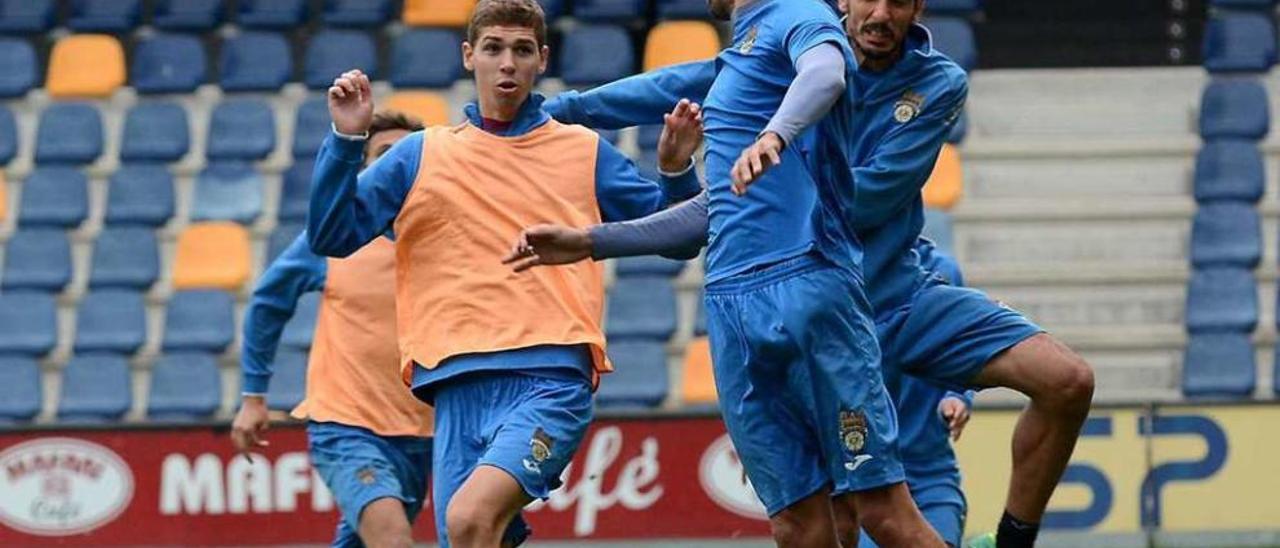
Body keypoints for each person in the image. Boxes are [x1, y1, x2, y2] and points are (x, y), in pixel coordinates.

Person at [516, 1, 1098, 546]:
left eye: (899, 2)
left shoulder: (932, 81)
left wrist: (752, 184)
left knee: (1066, 380)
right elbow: (673, 86)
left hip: (887, 296)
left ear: (919, 9)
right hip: (807, 307)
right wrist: (555, 112)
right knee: (822, 524)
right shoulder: (781, 54)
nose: (882, 14)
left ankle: (1014, 538)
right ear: (841, 0)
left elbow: (862, 200)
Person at [305, 1, 704, 546]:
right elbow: (333, 236)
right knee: (472, 535)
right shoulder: (421, 155)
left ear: (542, 58)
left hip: (549, 379)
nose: (507, 63)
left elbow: (680, 236)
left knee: (469, 519)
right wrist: (346, 142)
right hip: (452, 387)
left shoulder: (583, 150)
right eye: (493, 48)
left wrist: (676, 171)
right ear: (470, 56)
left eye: (521, 50)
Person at [231, 111, 431, 548]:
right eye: (383, 155)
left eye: (407, 156)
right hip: (347, 423)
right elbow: (268, 301)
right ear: (365, 170)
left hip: (427, 432)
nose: (396, 165)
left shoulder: (449, 242)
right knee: (392, 538)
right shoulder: (338, 240)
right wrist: (253, 397)